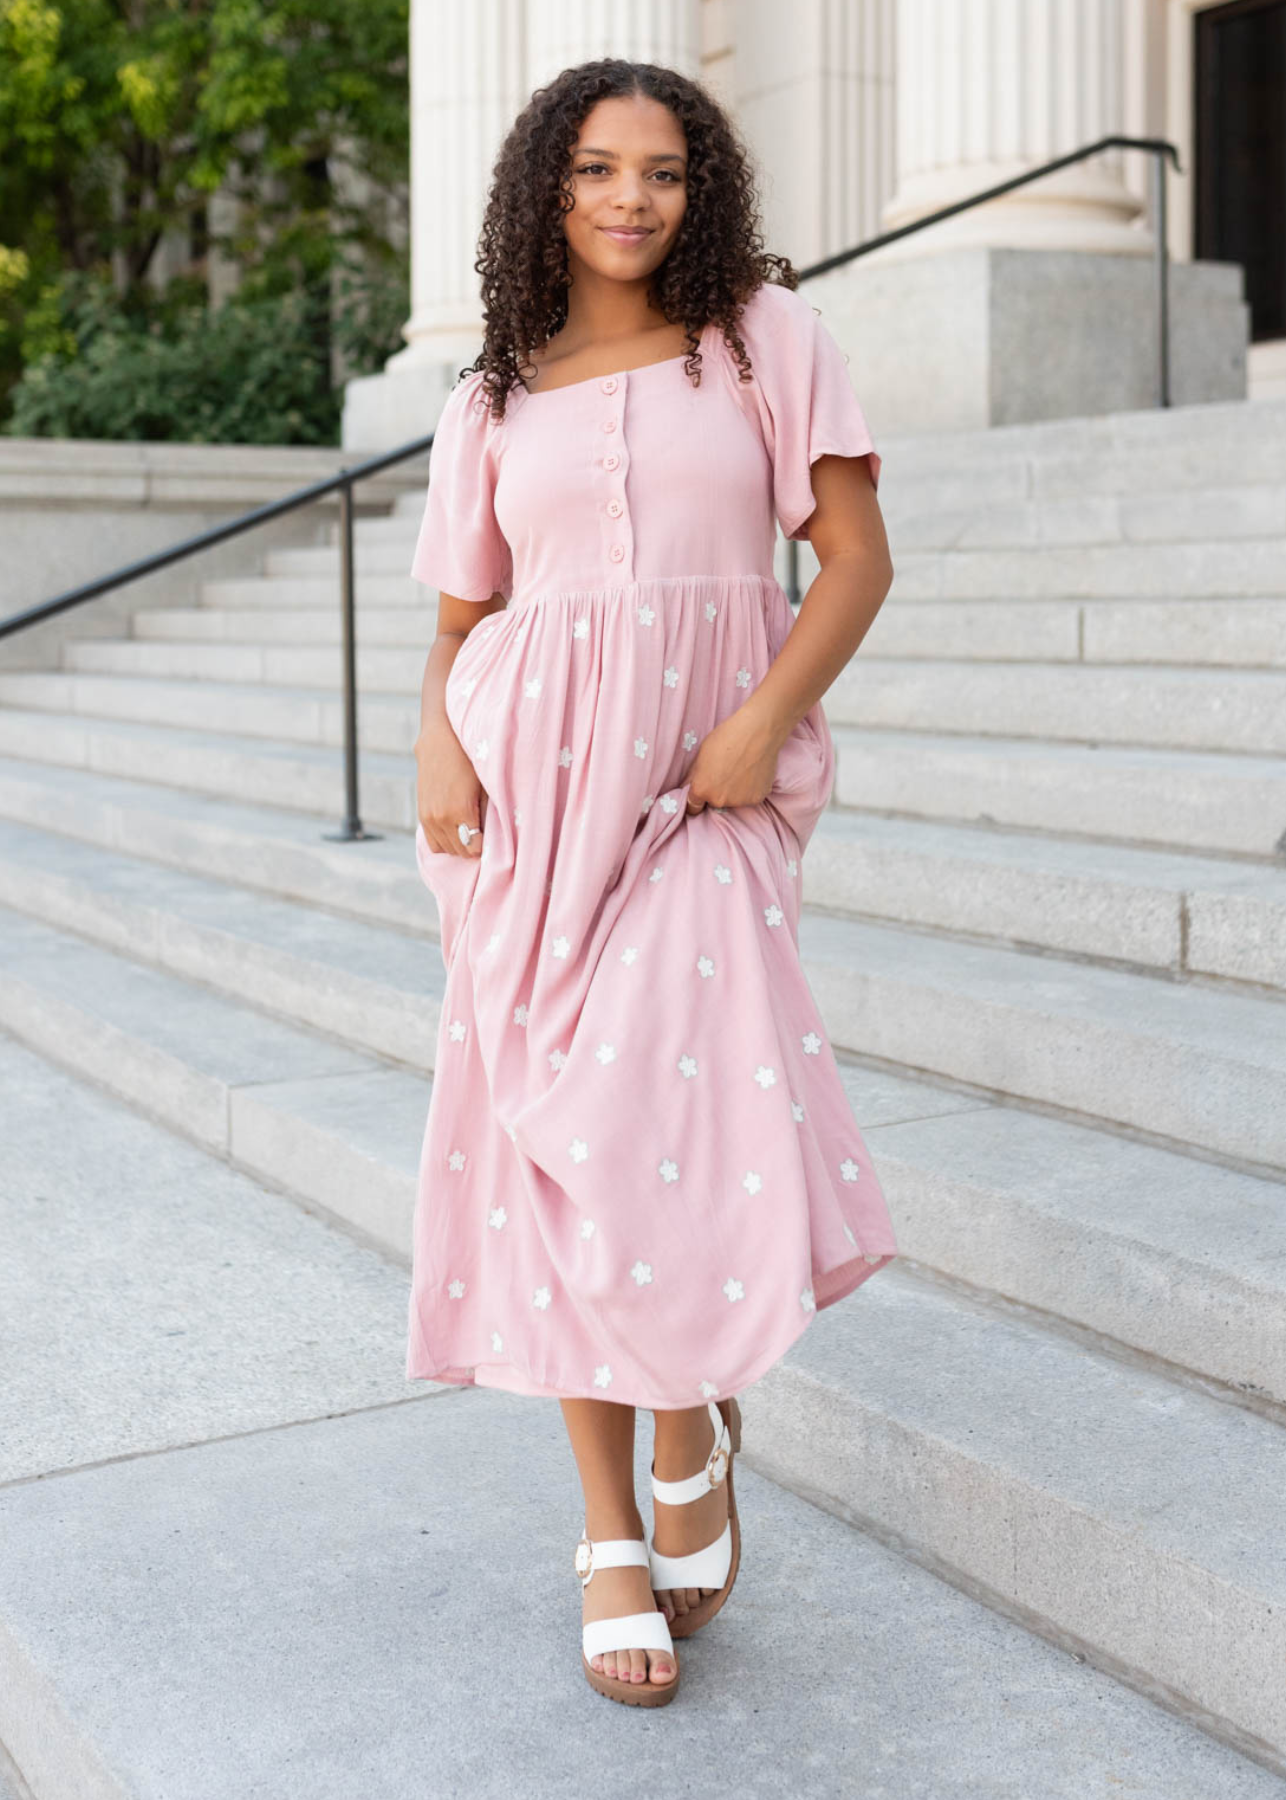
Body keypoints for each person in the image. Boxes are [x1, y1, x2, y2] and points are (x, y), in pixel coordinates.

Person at [407, 56, 899, 1708]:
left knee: (642, 1115)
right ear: (546, 187)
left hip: (706, 789)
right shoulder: (489, 393)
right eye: (600, 169)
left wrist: (762, 722)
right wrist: (437, 748)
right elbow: (466, 622)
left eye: (666, 172)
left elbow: (853, 559)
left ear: (705, 193)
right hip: (528, 803)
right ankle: (614, 1525)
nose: (632, 198)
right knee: (553, 1140)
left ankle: (688, 1396)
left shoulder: (757, 336)